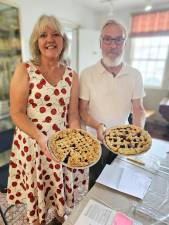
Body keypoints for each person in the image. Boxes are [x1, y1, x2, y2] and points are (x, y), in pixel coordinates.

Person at [7, 15, 88, 225]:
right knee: (39, 198)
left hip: (61, 146)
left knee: (59, 194)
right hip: (34, 145)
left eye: (55, 34)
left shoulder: (72, 75)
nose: (49, 39)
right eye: (43, 35)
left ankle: (61, 219)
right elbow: (17, 113)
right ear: (36, 41)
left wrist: (77, 139)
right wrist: (42, 138)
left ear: (63, 40)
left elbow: (72, 115)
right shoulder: (25, 70)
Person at [79, 19, 146, 188]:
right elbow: (83, 110)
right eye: (108, 39)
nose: (113, 45)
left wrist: (137, 133)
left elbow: (138, 109)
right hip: (95, 140)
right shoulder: (87, 74)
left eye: (118, 39)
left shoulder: (135, 74)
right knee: (95, 182)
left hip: (122, 140)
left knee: (118, 181)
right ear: (100, 43)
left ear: (125, 43)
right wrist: (98, 125)